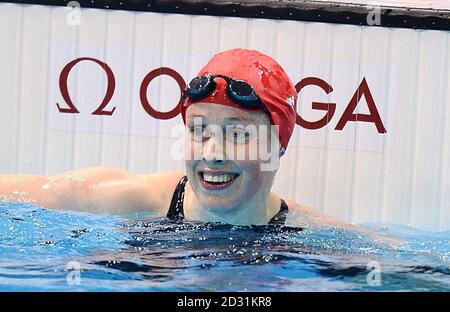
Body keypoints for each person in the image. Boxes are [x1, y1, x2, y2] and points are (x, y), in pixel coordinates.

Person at [0, 49, 370, 232]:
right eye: (199, 130)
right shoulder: (138, 200)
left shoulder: (310, 235)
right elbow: (39, 193)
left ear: (278, 146)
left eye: (238, 133)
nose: (212, 153)